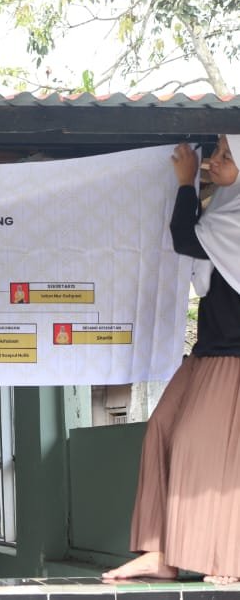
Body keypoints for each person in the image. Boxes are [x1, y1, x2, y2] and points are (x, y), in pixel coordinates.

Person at [103, 136, 240, 587]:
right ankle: (160, 553)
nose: (214, 162)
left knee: (196, 446)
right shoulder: (225, 210)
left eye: (226, 156)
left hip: (233, 357)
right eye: (215, 152)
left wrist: (185, 182)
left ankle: (228, 556)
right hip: (209, 352)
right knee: (161, 430)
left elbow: (185, 237)